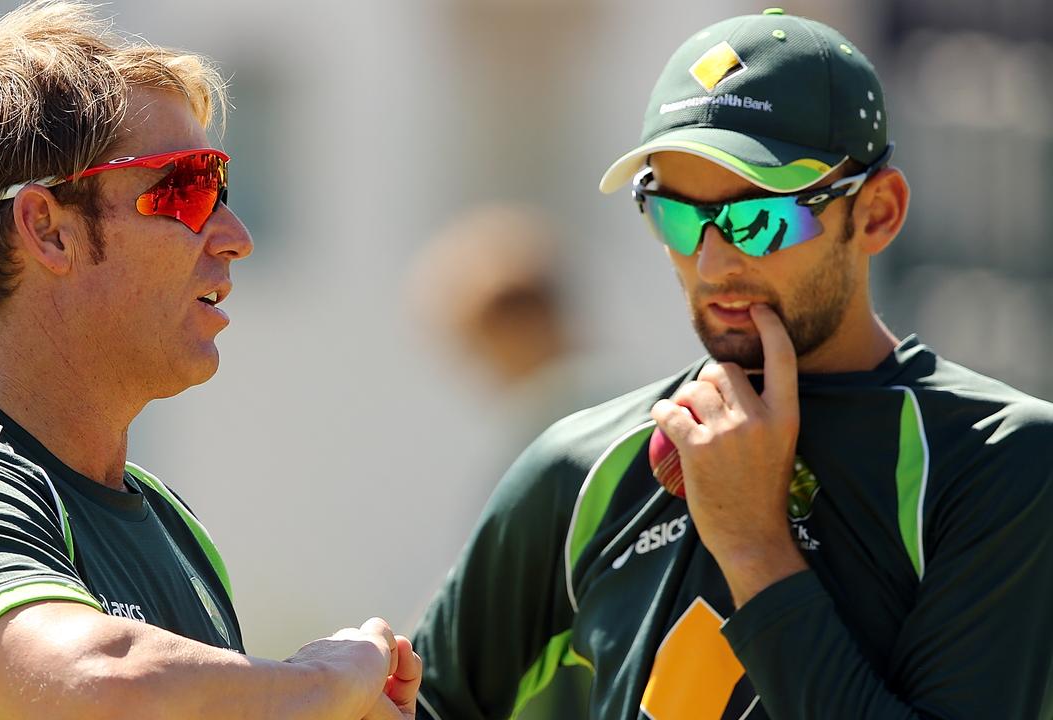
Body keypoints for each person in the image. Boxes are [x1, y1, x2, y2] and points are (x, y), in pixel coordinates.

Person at [413, 9, 1053, 720]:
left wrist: (753, 546)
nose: (712, 262)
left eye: (760, 219)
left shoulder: (1002, 460)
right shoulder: (583, 465)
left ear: (876, 213)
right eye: (676, 217)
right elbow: (424, 705)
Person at [0, 2, 419, 718]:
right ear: (46, 229)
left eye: (224, 186)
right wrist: (318, 681)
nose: (236, 235)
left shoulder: (171, 529)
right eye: (187, 188)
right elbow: (99, 684)